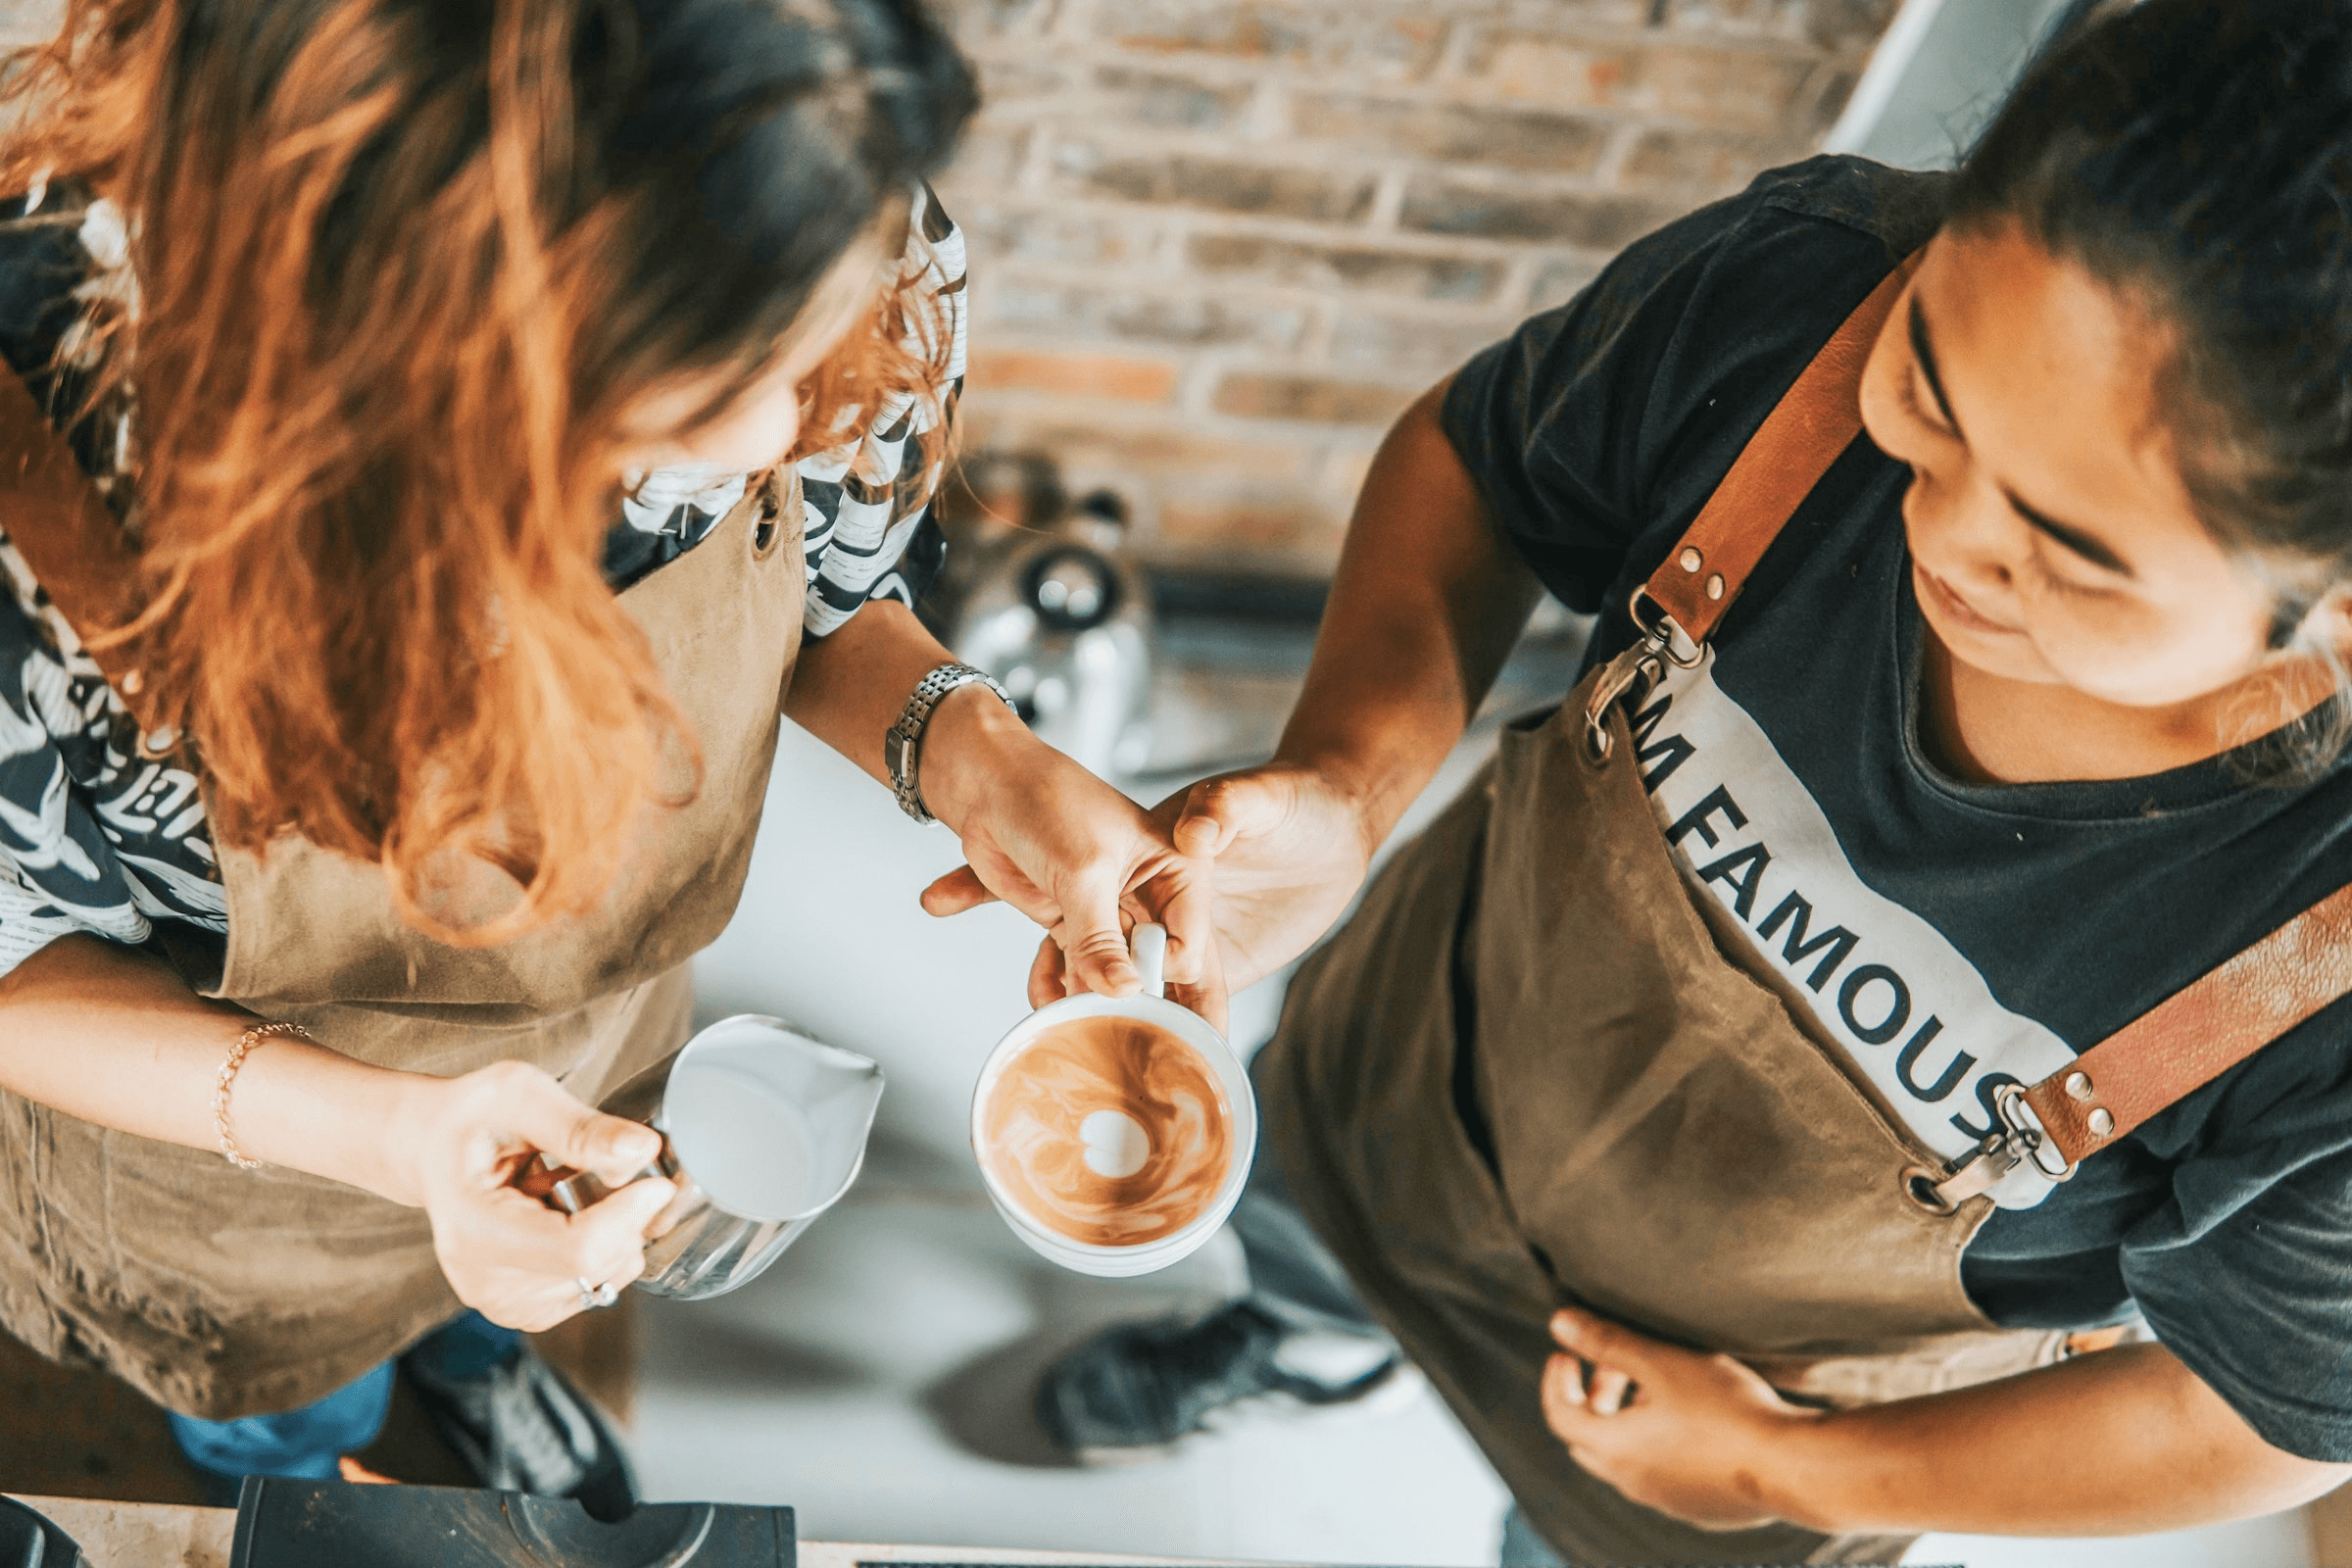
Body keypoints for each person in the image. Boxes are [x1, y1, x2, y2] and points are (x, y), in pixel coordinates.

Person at [1020, 3, 2352, 1561]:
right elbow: (1481, 464)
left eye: (2063, 554)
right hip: (1418, 1076)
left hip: (1751, 1409)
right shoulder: (1805, 290)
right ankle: (1316, 1347)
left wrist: (1783, 1474)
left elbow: (2259, 1418)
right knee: (1306, 1232)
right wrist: (1350, 780)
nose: (1935, 533)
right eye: (1927, 393)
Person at [0, 0, 1210, 1501]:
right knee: (282, 1415)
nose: (781, 429)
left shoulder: (813, 195)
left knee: (508, 1284)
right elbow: (13, 958)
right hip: (232, 1165)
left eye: (805, 346)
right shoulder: (42, 488)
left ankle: (471, 1361)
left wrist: (967, 746)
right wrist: (405, 1141)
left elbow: (832, 595)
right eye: (701, 378)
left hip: (599, 1029)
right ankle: (297, 1454)